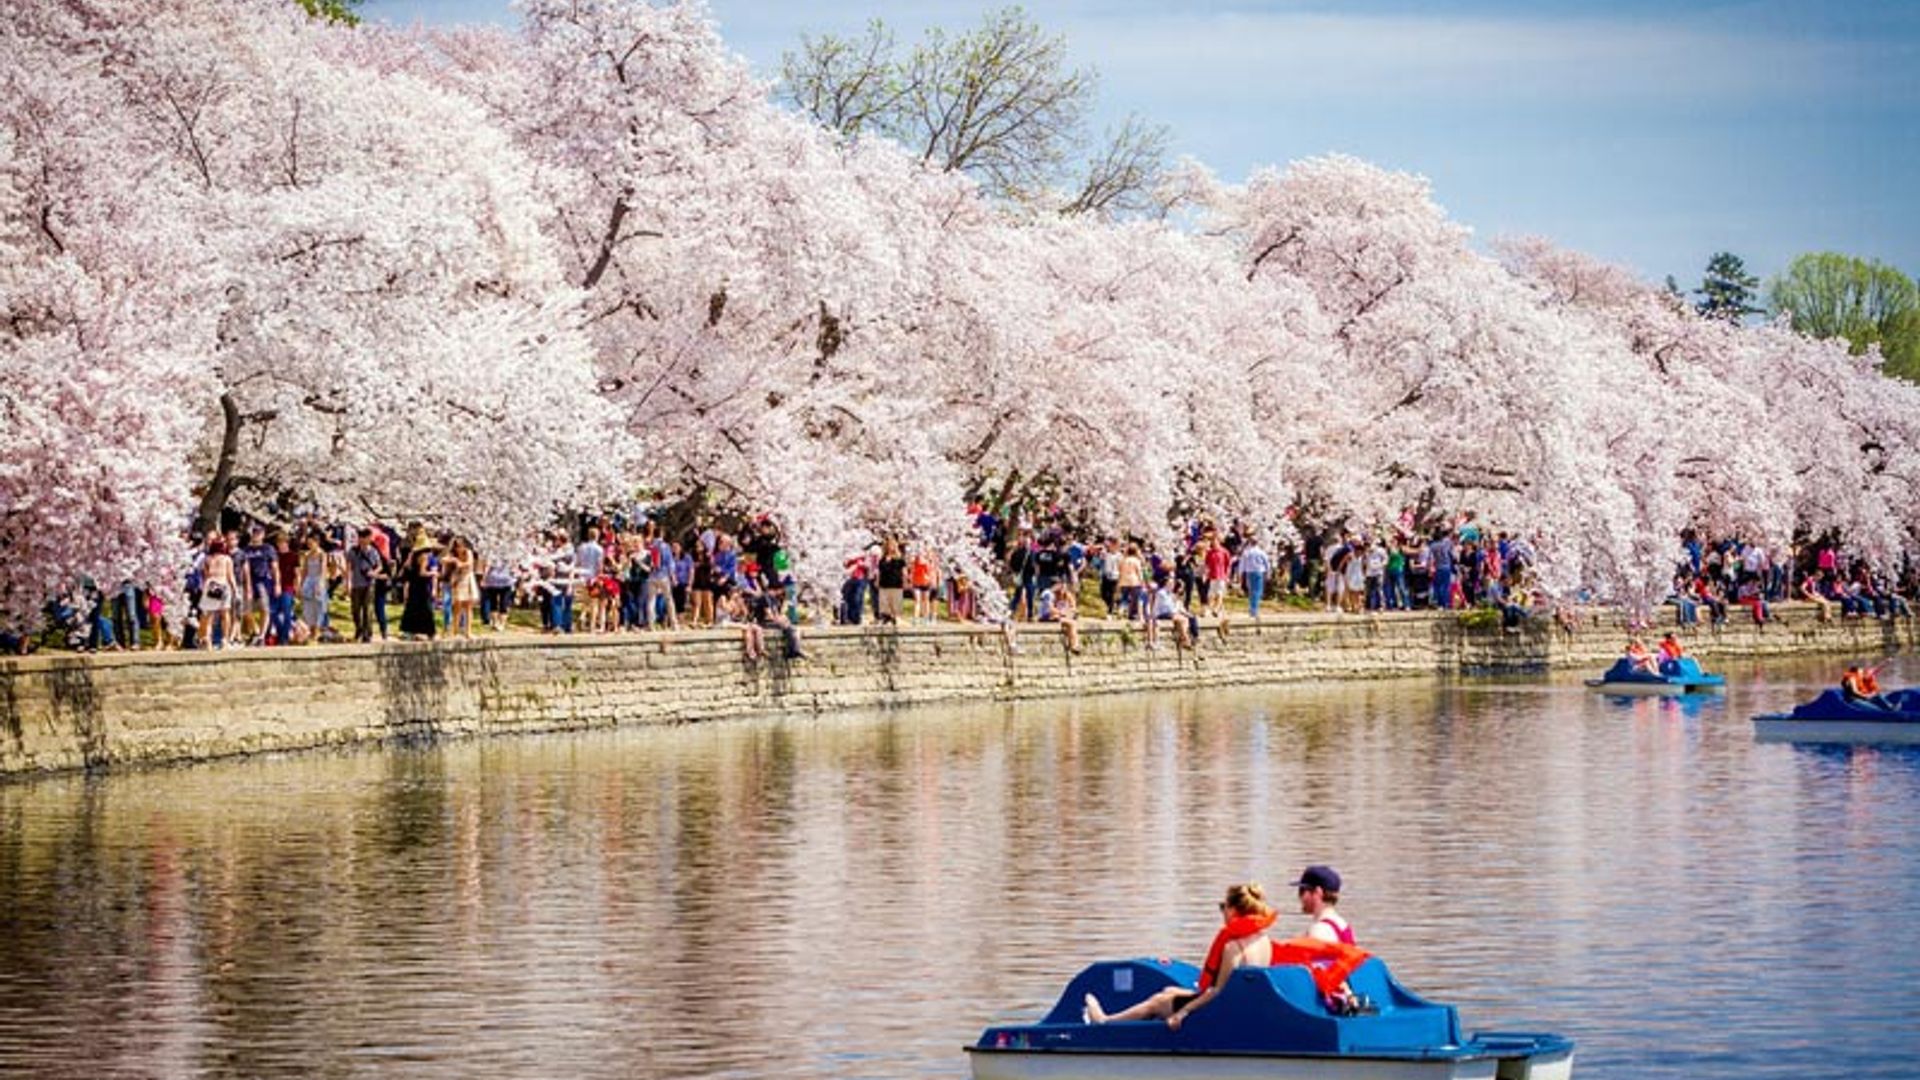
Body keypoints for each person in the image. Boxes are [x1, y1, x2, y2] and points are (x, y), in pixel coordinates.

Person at [1084, 883, 1276, 1030]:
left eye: (1222, 907)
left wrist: (1183, 1013)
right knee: (1169, 991)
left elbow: (1217, 993)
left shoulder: (1233, 947)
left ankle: (1105, 1022)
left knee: (1158, 1002)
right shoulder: (1263, 939)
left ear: (1233, 910)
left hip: (1223, 1010)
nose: (1222, 912)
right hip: (1241, 1004)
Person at [1295, 865, 1355, 945]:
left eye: (1302, 891)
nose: (1300, 897)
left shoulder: (1319, 931)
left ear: (1317, 892)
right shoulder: (1343, 925)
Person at [399, 546, 440, 640]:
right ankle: (430, 632)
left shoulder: (412, 557)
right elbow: (422, 573)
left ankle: (410, 631)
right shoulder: (424, 557)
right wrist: (433, 573)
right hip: (422, 587)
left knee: (412, 608)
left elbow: (406, 569)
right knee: (426, 609)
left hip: (413, 586)